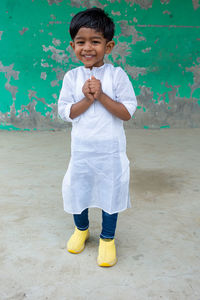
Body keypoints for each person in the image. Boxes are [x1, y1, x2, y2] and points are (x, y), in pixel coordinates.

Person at [58, 7, 137, 267]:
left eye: (96, 41)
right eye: (81, 42)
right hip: (82, 152)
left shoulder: (117, 76)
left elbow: (126, 112)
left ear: (109, 46)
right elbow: (67, 113)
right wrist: (87, 97)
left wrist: (101, 96)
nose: (88, 48)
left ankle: (107, 238)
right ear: (72, 46)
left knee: (110, 192)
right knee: (76, 189)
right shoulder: (72, 78)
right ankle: (81, 230)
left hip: (110, 153)